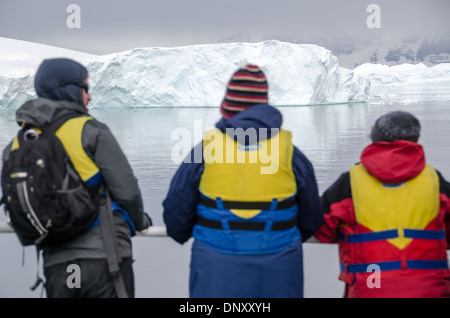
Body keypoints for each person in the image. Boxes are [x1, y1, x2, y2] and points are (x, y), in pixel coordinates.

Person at [163, 64, 323, 298]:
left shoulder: (204, 151)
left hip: (215, 271)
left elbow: (176, 213)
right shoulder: (291, 154)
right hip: (279, 269)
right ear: (265, 106)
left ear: (227, 107)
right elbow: (312, 218)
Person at [2, 58, 152, 298]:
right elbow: (127, 191)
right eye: (86, 88)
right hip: (104, 259)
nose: (89, 97)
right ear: (68, 88)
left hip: (57, 265)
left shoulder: (17, 145)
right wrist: (140, 222)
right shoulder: (90, 130)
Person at [315, 111, 450, 298]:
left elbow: (320, 227)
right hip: (429, 288)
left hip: (372, 286)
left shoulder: (351, 183)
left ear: (375, 138)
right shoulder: (435, 182)